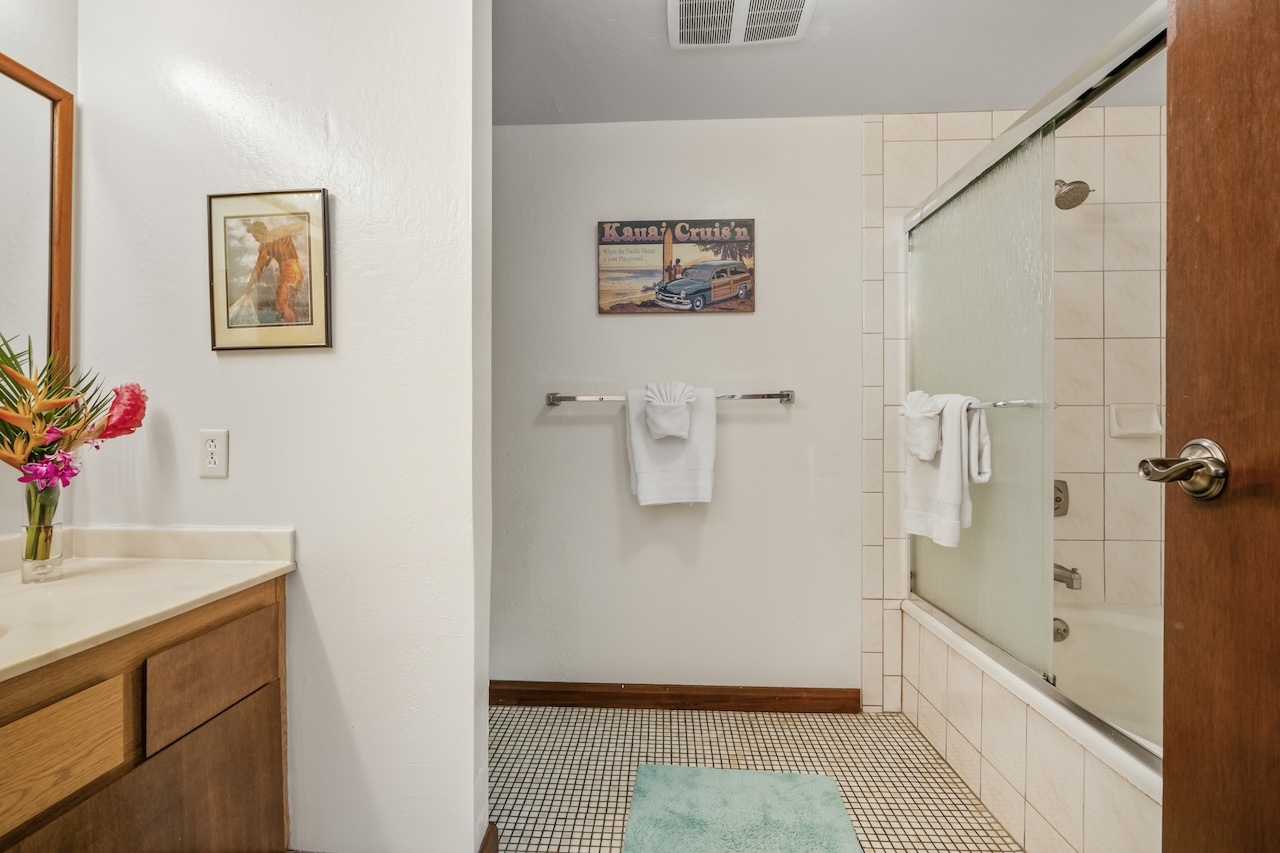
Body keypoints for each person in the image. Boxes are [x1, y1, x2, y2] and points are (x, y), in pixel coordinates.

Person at [245, 220, 306, 323]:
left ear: (258, 232)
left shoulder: (265, 246)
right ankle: (297, 328)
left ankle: (296, 329)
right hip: (298, 272)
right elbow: (300, 225)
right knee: (288, 306)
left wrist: (248, 286)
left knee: (281, 305)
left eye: (254, 236)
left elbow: (258, 269)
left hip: (289, 272)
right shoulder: (279, 232)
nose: (255, 239)